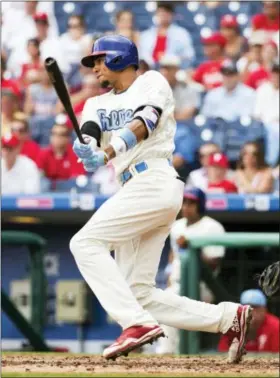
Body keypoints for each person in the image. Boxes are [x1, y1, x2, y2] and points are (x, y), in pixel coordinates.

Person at [71, 34, 252, 362]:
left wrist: (109, 151)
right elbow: (91, 130)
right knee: (139, 292)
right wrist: (85, 147)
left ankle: (135, 324)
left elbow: (146, 121)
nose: (95, 67)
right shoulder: (95, 103)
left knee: (83, 244)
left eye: (100, 59)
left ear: (118, 58)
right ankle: (229, 318)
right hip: (132, 188)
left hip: (154, 179)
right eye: (92, 62)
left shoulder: (150, 81)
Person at [156, 188, 226, 354]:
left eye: (191, 203)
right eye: (184, 202)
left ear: (200, 205)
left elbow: (214, 264)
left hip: (201, 285)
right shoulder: (177, 226)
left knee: (169, 305)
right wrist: (169, 275)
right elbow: (173, 255)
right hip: (177, 282)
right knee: (156, 302)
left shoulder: (212, 227)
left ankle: (168, 352)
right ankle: (165, 352)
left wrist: (192, 248)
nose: (186, 207)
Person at [139, 2, 195, 68]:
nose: (163, 15)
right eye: (160, 12)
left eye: (166, 12)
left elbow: (189, 56)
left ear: (172, 15)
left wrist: (169, 59)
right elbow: (141, 56)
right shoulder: (146, 35)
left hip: (173, 71)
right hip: (150, 71)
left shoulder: (182, 34)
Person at [159, 55, 200, 122]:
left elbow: (188, 113)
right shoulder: (156, 89)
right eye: (162, 68)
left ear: (176, 69)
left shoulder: (187, 88)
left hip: (183, 125)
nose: (165, 72)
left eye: (169, 68)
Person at [254, 61, 279, 166]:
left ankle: (270, 164)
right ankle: (270, 164)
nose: (277, 76)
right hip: (264, 125)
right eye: (275, 73)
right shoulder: (262, 89)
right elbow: (257, 114)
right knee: (273, 131)